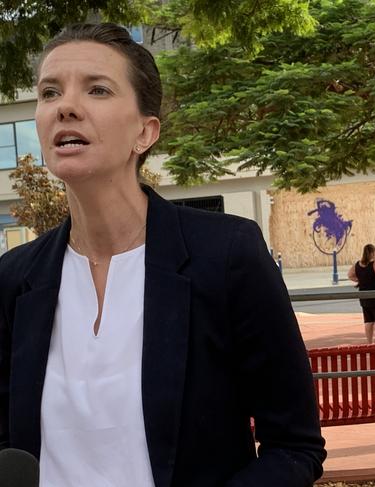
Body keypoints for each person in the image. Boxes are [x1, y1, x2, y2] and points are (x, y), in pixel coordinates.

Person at [0, 23, 325, 486]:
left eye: (97, 89)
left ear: (145, 132)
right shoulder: (14, 279)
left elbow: (295, 446)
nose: (65, 106)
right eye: (50, 92)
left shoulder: (227, 255)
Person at [348, 244, 375, 344]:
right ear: (373, 252)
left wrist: (360, 279)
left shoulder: (358, 265)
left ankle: (369, 344)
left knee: (368, 322)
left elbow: (350, 275)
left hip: (364, 296)